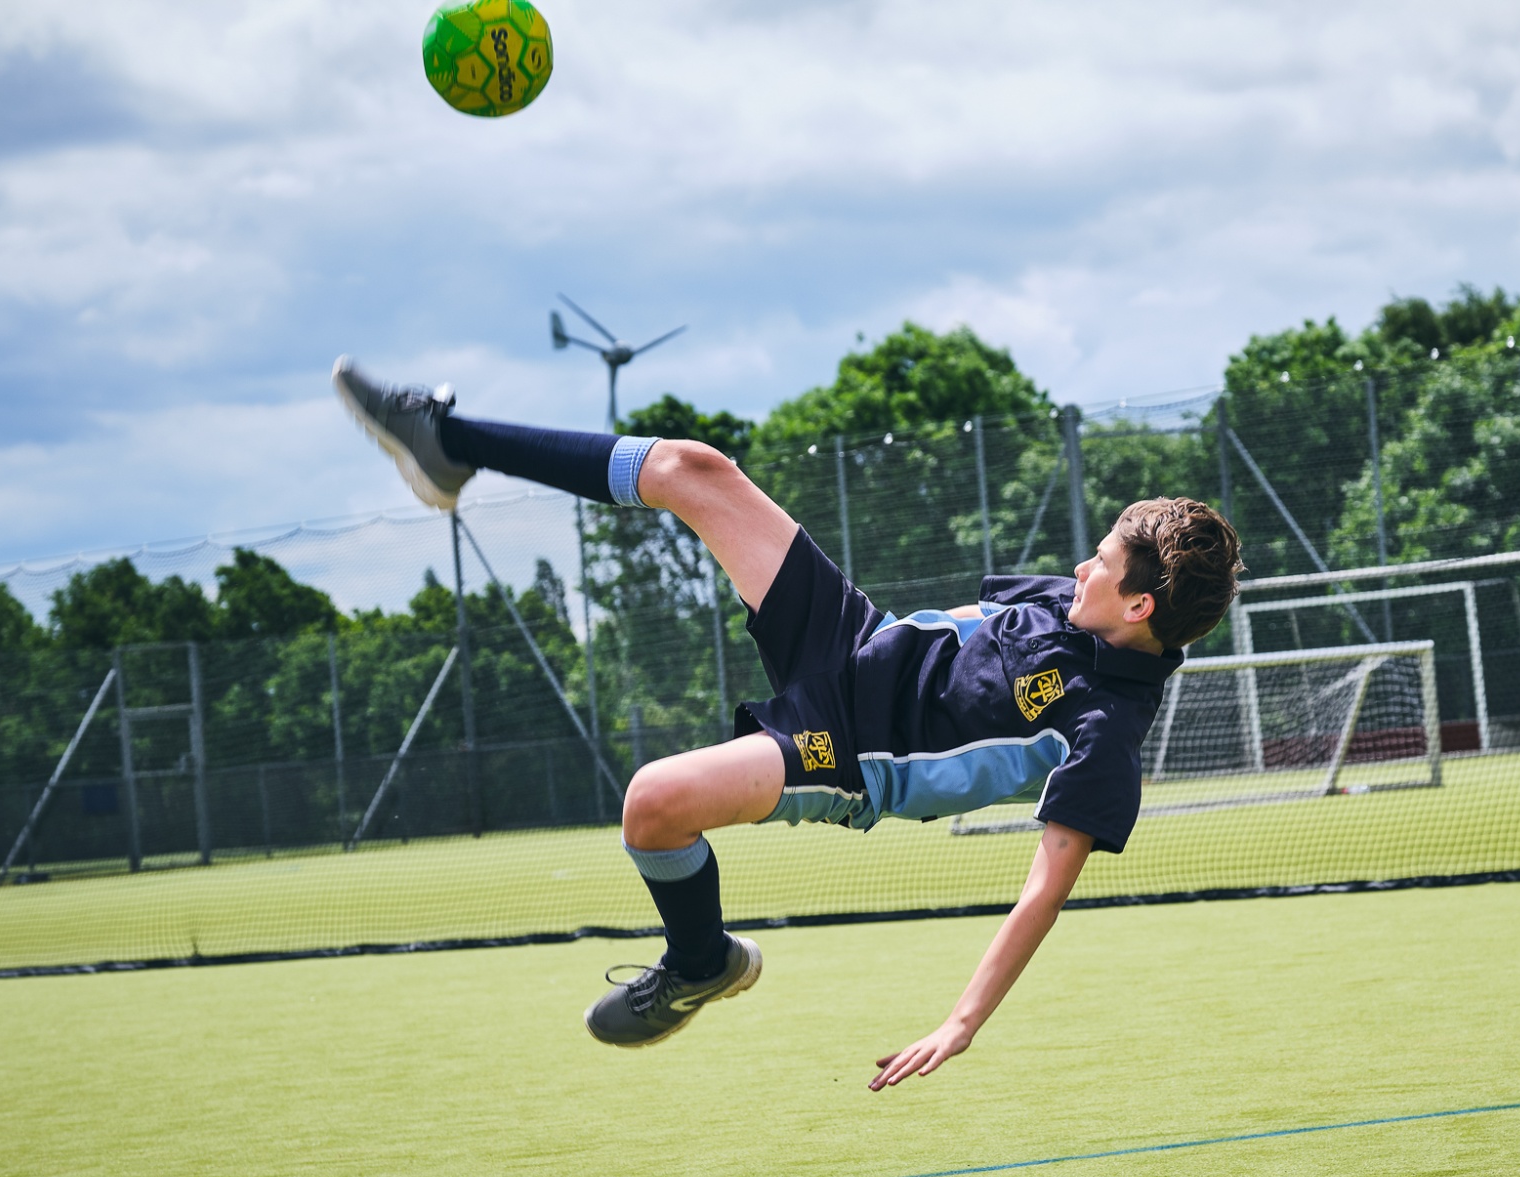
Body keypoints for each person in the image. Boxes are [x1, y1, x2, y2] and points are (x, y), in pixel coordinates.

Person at [331, 358, 1241, 1090]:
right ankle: (447, 440)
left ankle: (699, 962)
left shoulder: (1105, 727)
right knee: (692, 469)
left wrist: (961, 1021)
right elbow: (967, 632)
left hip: (848, 754)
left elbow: (1045, 889)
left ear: (1139, 606)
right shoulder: (1079, 606)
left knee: (652, 804)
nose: (1082, 566)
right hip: (853, 637)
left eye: (1101, 562)